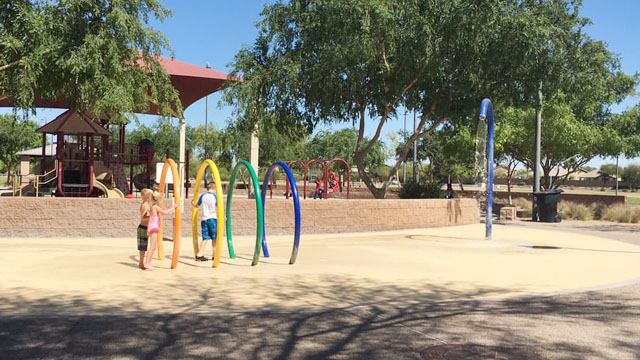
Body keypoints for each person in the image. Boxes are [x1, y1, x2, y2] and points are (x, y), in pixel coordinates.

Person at [145, 191, 178, 270]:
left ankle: (148, 262)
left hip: (154, 228)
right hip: (153, 228)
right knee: (152, 247)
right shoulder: (155, 207)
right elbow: (165, 212)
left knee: (154, 247)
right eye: (161, 200)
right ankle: (147, 263)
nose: (161, 202)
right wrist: (173, 207)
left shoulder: (154, 207)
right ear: (158, 200)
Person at [192, 181, 218, 261]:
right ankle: (214, 254)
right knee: (214, 238)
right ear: (214, 188)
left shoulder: (202, 196)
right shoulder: (215, 196)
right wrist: (223, 216)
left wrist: (192, 203)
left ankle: (200, 254)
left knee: (205, 238)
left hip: (204, 219)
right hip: (213, 218)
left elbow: (196, 205)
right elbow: (219, 207)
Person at [137, 188, 152, 269]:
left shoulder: (145, 204)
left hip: (144, 227)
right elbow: (143, 217)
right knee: (143, 248)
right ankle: (141, 263)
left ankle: (141, 263)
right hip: (143, 228)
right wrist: (152, 216)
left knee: (143, 247)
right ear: (148, 197)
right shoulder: (145, 205)